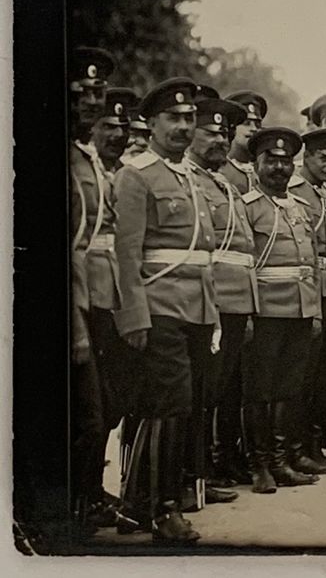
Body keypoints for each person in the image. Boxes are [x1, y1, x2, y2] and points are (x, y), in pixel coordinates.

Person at [114, 78, 218, 542]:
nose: (182, 126)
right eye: (173, 119)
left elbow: (203, 254)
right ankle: (164, 511)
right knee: (169, 408)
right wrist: (133, 316)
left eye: (188, 119)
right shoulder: (136, 175)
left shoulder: (193, 179)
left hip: (196, 310)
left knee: (180, 406)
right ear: (150, 124)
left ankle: (136, 506)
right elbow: (126, 254)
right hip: (158, 308)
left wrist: (212, 313)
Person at [240, 127, 324, 492]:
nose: (279, 167)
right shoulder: (247, 208)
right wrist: (248, 312)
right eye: (270, 160)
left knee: (290, 388)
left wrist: (316, 310)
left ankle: (281, 459)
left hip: (301, 308)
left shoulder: (302, 208)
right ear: (256, 164)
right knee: (260, 389)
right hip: (266, 310)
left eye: (285, 161)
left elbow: (313, 263)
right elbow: (245, 264)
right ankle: (259, 465)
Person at [184, 97, 253, 505]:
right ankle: (193, 475)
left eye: (224, 135)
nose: (220, 141)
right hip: (209, 302)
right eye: (211, 133)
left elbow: (245, 253)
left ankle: (204, 471)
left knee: (218, 392)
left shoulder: (224, 184)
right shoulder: (189, 181)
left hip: (235, 302)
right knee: (200, 393)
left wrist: (249, 308)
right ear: (193, 134)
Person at [68, 47, 125, 536]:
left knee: (106, 409)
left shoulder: (87, 160)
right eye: (82, 91)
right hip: (75, 306)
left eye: (98, 92)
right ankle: (70, 506)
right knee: (87, 416)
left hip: (102, 298)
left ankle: (86, 496)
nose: (91, 99)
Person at [288, 128, 326, 477]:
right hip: (303, 290)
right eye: (323, 157)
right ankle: (295, 448)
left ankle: (312, 442)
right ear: (306, 158)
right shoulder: (295, 193)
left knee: (322, 375)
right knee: (301, 376)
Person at [220, 91, 267, 194]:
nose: (254, 129)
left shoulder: (262, 173)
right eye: (246, 123)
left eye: (258, 124)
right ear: (231, 127)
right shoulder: (220, 171)